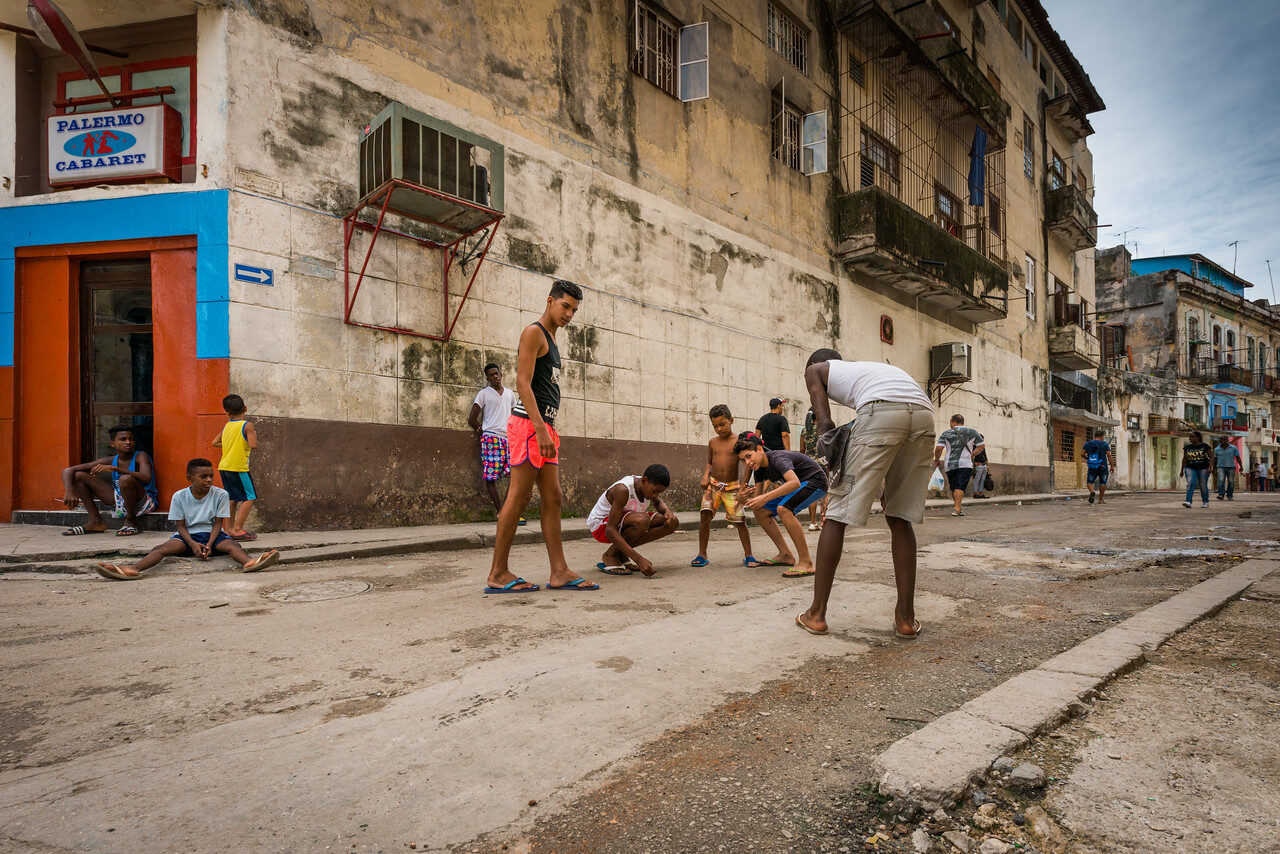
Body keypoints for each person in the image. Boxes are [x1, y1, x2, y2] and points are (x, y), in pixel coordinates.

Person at [796, 351, 935, 638]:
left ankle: (816, 614)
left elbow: (825, 425)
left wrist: (829, 454)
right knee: (900, 516)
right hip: (924, 414)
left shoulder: (817, 369)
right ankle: (906, 619)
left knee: (836, 515)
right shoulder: (874, 371)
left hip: (882, 411)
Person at [485, 279, 599, 594]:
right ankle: (498, 573)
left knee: (554, 497)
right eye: (565, 306)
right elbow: (522, 383)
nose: (569, 314)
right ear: (550, 301)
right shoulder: (533, 332)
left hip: (545, 427)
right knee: (518, 497)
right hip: (528, 426)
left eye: (574, 310)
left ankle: (559, 571)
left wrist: (546, 428)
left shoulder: (552, 339)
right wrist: (537, 426)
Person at [94, 459, 279, 580]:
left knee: (232, 546)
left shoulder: (221, 494)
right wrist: (191, 544)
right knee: (162, 549)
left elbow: (218, 523)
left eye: (211, 476)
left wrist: (209, 543)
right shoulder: (179, 496)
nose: (209, 480)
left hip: (212, 535)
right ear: (190, 478)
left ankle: (248, 562)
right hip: (187, 536)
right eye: (203, 476)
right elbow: (180, 526)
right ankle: (133, 569)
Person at [734, 435, 827, 578]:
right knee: (760, 510)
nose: (747, 462)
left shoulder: (777, 458)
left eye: (748, 456)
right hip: (800, 485)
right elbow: (757, 501)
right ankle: (785, 555)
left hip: (815, 481)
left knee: (784, 509)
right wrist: (742, 498)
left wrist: (764, 497)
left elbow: (794, 482)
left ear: (759, 449)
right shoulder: (759, 468)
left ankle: (806, 562)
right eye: (743, 460)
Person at [59, 424, 159, 537]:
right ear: (113, 443)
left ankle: (131, 522)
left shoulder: (140, 456)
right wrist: (69, 491)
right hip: (120, 501)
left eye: (131, 439)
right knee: (78, 476)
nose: (128, 442)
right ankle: (96, 522)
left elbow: (146, 477)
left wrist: (116, 469)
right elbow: (68, 470)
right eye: (123, 439)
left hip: (144, 502)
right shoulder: (111, 459)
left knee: (125, 479)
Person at [692, 405, 757, 568]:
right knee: (704, 516)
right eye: (715, 426)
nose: (719, 429)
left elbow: (748, 464)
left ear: (731, 421)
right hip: (713, 486)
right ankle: (702, 554)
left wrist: (743, 486)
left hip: (733, 488)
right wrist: (705, 476)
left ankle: (749, 555)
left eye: (722, 424)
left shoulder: (738, 442)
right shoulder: (712, 442)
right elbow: (709, 461)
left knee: (740, 521)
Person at [587, 464, 679, 577]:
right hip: (601, 526)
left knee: (668, 522)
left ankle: (620, 553)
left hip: (624, 522)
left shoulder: (646, 485)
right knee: (643, 520)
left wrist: (668, 512)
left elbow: (658, 503)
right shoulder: (623, 489)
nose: (656, 495)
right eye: (655, 491)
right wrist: (639, 559)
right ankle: (610, 556)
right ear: (644, 480)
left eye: (659, 492)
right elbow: (610, 531)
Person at [468, 363, 524, 525]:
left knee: (515, 475)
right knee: (490, 477)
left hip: (509, 439)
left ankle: (507, 511)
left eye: (497, 373)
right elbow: (472, 418)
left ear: (501, 374)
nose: (495, 376)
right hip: (491, 439)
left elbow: (515, 416)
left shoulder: (509, 394)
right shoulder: (483, 394)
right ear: (487, 378)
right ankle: (501, 511)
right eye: (491, 375)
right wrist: (480, 429)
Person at [212, 394, 259, 541]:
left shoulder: (227, 426)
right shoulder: (247, 425)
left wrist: (229, 445)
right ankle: (238, 529)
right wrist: (253, 434)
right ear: (245, 408)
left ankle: (229, 529)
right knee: (250, 497)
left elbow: (214, 442)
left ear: (228, 413)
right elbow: (253, 445)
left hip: (224, 467)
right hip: (239, 468)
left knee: (232, 498)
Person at [933, 414, 984, 517]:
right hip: (965, 464)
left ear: (954, 422)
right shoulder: (972, 432)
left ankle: (957, 508)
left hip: (950, 464)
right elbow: (981, 446)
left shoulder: (946, 433)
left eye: (951, 422)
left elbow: (938, 448)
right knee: (960, 486)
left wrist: (937, 460)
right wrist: (972, 454)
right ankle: (957, 508)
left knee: (954, 486)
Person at [799, 406, 829, 529]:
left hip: (808, 464)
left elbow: (802, 450)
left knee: (812, 492)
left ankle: (812, 523)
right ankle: (825, 520)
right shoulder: (823, 430)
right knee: (826, 491)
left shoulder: (805, 430)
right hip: (822, 463)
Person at [1180, 431, 1212, 508]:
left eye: (1193, 437)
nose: (1191, 439)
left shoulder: (1205, 446)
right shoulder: (1187, 448)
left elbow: (1212, 457)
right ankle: (1188, 501)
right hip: (1190, 467)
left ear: (1198, 437)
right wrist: (1181, 470)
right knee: (1190, 483)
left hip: (1203, 467)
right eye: (1190, 437)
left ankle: (1205, 501)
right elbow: (1184, 459)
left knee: (1203, 485)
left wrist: (1210, 467)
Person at [1081, 429, 1114, 506]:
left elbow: (1082, 454)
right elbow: (1109, 455)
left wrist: (1088, 459)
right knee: (1103, 482)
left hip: (1092, 465)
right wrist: (1112, 466)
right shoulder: (1104, 444)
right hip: (1103, 466)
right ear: (1102, 436)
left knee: (1089, 481)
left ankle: (1092, 492)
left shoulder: (1088, 443)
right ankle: (1100, 499)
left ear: (1095, 436)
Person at [1214, 436, 1241, 501]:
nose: (1222, 441)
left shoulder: (1233, 448)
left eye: (1224, 439)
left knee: (1231, 482)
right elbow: (1215, 459)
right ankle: (1221, 494)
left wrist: (1241, 466)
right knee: (1221, 481)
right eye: (1221, 439)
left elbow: (1238, 457)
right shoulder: (1217, 449)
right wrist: (1213, 468)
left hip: (1231, 467)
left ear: (1227, 440)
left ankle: (1230, 495)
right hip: (1221, 467)